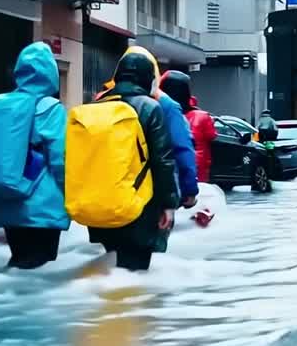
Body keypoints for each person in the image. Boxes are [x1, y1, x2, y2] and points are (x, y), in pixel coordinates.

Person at [0, 42, 69, 269]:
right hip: (43, 210)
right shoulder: (50, 108)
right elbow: (61, 159)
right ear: (51, 73)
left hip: (7, 207)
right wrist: (73, 195)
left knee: (19, 264)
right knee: (40, 272)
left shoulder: (3, 105)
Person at [85, 47, 179, 271]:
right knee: (134, 272)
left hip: (101, 207)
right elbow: (163, 161)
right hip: (139, 209)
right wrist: (168, 205)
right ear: (148, 78)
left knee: (112, 272)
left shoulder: (95, 107)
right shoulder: (150, 108)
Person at [159, 71, 213, 188]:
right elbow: (211, 135)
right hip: (198, 171)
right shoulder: (202, 116)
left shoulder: (159, 112)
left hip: (168, 173)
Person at [156, 74, 198, 210]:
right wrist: (190, 190)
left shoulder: (114, 101)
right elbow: (183, 150)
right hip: (165, 188)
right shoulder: (171, 109)